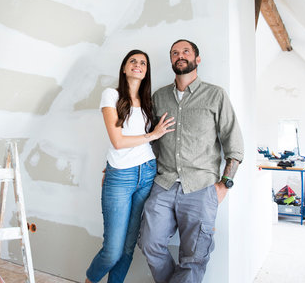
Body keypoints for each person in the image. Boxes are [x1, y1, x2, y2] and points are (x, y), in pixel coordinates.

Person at [138, 39, 244, 283]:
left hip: (201, 187)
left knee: (194, 257)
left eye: (186, 51)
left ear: (197, 59)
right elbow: (148, 140)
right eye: (175, 52)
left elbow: (235, 145)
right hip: (162, 184)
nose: (180, 55)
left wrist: (224, 183)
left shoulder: (216, 95)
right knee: (149, 243)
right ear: (171, 60)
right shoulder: (159, 97)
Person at [85, 49, 176, 283]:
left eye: (143, 63)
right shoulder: (111, 95)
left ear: (146, 72)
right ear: (124, 68)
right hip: (121, 177)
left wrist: (154, 137)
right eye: (133, 61)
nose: (138, 65)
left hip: (147, 174)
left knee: (127, 249)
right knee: (112, 251)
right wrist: (153, 135)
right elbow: (118, 141)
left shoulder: (148, 101)